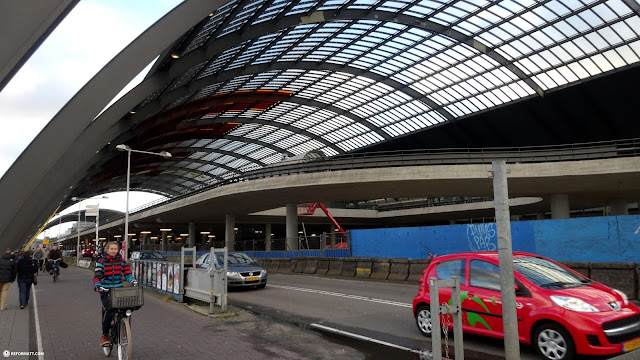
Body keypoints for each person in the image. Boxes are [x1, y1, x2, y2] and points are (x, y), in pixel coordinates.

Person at [93, 241, 138, 346]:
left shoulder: (121, 261)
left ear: (118, 250)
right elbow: (97, 275)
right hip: (106, 290)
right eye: (111, 249)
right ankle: (105, 335)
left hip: (118, 289)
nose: (113, 251)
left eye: (115, 249)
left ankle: (123, 328)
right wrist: (97, 285)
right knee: (109, 311)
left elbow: (127, 273)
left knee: (124, 310)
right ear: (107, 250)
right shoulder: (101, 262)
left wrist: (132, 281)